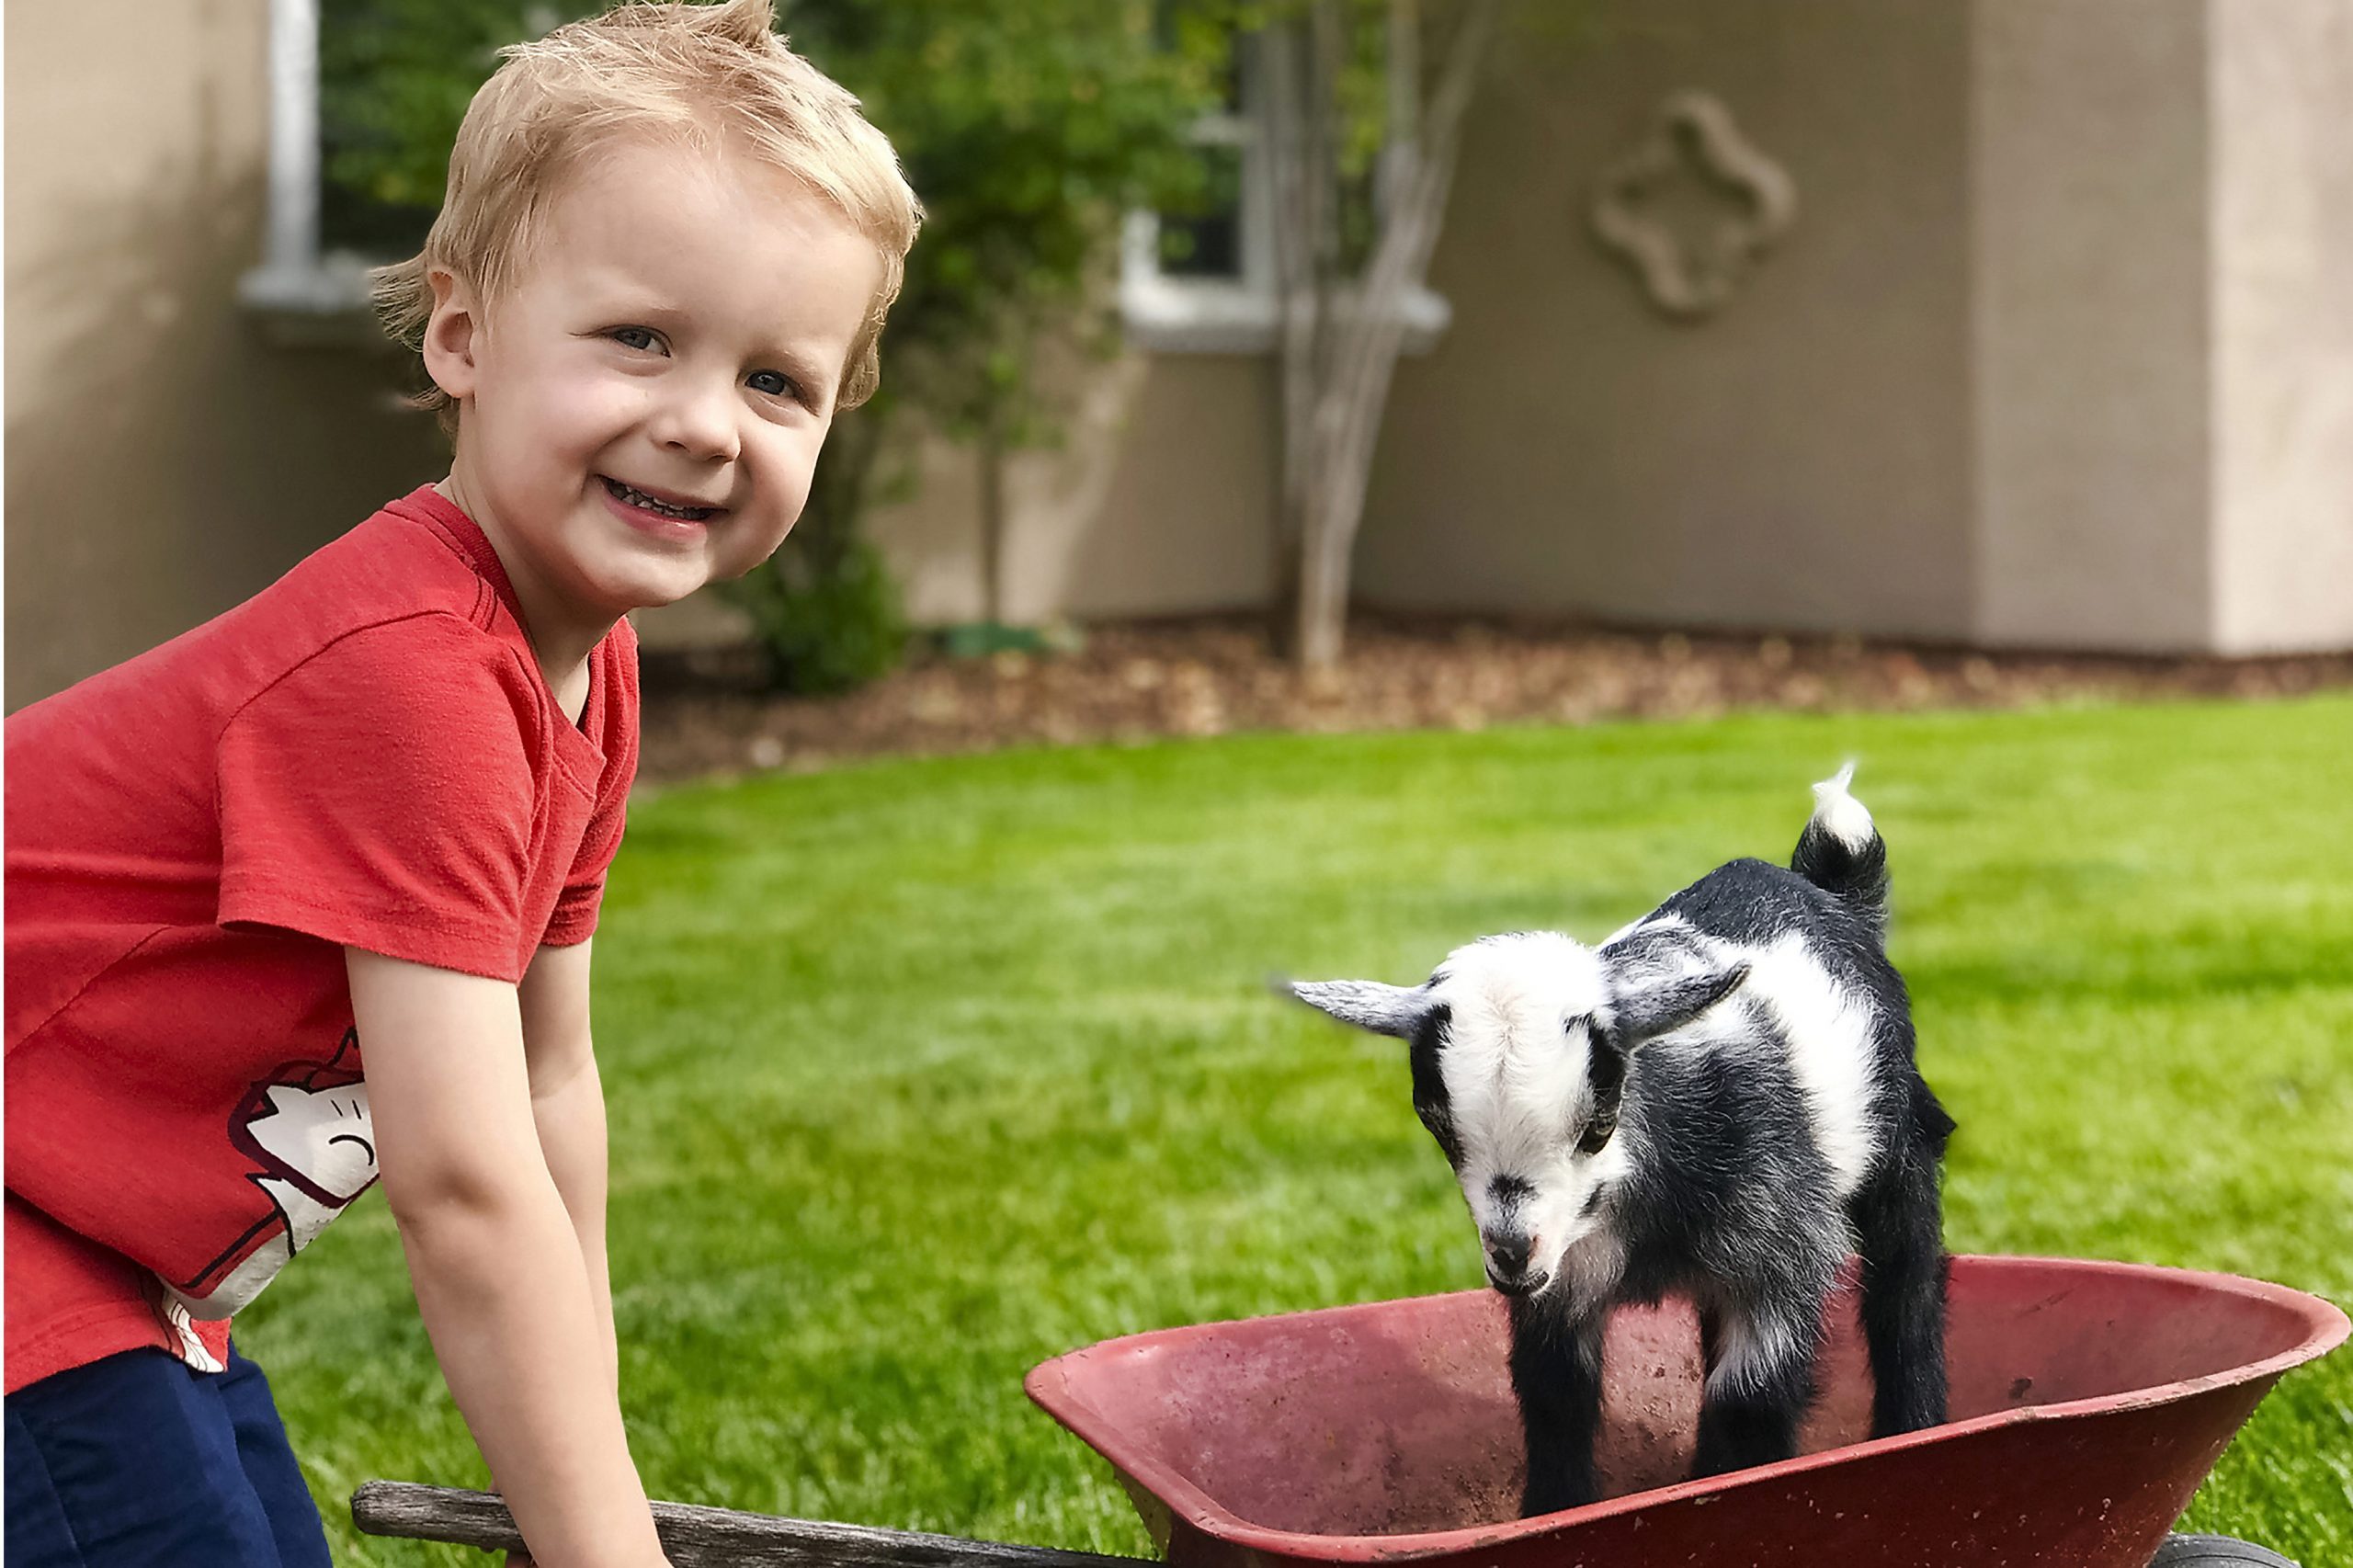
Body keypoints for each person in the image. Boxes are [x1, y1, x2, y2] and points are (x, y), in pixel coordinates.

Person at [4, 2, 920, 1562]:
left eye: (779, 382)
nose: (703, 421)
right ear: (463, 337)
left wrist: (595, 1468)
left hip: (114, 1259)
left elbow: (550, 1083)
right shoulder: (412, 671)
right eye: (641, 335)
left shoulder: (584, 671)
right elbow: (466, 1187)